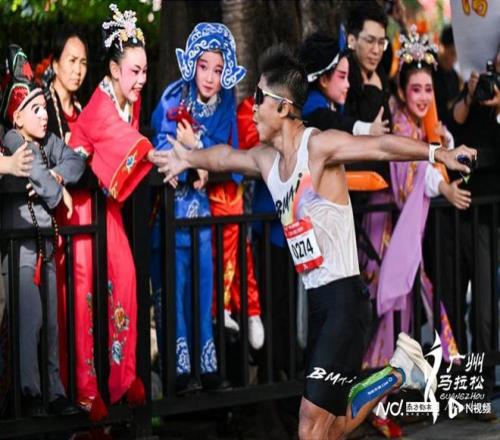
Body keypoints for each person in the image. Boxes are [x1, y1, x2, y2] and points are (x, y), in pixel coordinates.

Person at [151, 45, 476, 439]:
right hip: (319, 304)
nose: (252, 108)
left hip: (344, 303)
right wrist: (188, 159)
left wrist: (439, 152)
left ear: (283, 106)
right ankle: (398, 372)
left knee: (309, 425)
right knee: (329, 428)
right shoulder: (267, 161)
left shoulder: (317, 147)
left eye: (259, 98)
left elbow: (381, 147)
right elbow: (225, 157)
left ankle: (398, 372)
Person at [150, 22, 254, 393]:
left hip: (204, 211)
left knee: (204, 286)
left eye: (218, 69)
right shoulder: (173, 95)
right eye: (204, 66)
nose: (210, 77)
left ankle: (207, 366)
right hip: (172, 210)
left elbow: (227, 150)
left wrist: (197, 151)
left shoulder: (225, 102)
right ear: (192, 64)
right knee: (174, 290)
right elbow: (161, 143)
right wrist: (191, 157)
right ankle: (178, 371)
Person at [67, 4, 159, 420]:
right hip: (79, 210)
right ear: (114, 69)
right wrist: (162, 158)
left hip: (106, 206)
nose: (141, 80)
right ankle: (86, 391)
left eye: (144, 71)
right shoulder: (101, 107)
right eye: (134, 71)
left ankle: (123, 377)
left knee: (125, 278)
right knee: (84, 297)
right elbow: (132, 145)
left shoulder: (128, 103)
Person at [362, 27, 464, 372]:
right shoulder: (400, 126)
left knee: (403, 307)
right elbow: (411, 176)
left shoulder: (420, 124)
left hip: (402, 225)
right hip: (384, 227)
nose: (423, 97)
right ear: (402, 90)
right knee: (386, 308)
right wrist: (445, 187)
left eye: (428, 89)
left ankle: (388, 386)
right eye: (416, 89)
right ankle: (372, 387)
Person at [0, 44, 84, 417]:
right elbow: (35, 175)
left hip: (45, 245)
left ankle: (54, 391)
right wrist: (55, 190)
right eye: (35, 110)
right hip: (20, 247)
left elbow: (76, 162)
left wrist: (57, 175)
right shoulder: (11, 140)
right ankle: (28, 392)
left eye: (45, 107)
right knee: (30, 318)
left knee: (50, 322)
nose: (44, 115)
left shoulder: (48, 141)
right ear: (16, 117)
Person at [36, 30, 91, 403]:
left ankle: (84, 388)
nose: (77, 69)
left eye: (83, 62)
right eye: (70, 60)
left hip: (84, 217)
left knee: (84, 305)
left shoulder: (84, 109)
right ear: (54, 63)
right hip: (54, 218)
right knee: (58, 307)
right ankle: (56, 391)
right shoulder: (42, 108)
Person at [299, 32, 389, 136]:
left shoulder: (335, 103)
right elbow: (333, 121)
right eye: (342, 77)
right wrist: (367, 129)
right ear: (324, 80)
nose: (348, 84)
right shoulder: (311, 109)